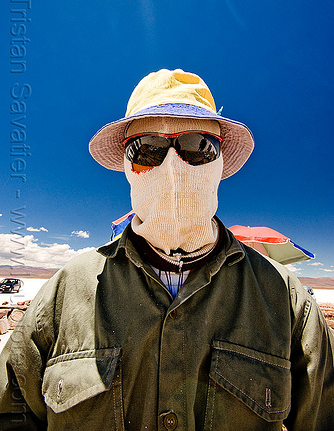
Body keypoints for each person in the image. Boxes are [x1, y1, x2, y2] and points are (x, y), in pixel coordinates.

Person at [0, 69, 333, 430]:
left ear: (219, 164)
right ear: (128, 166)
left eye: (197, 146)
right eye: (147, 149)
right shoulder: (66, 291)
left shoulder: (284, 298)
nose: (173, 166)